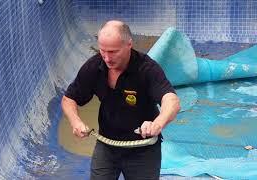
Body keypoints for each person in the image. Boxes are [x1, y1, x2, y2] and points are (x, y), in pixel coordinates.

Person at [61, 20, 180, 180]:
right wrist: (75, 122)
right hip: (107, 145)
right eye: (103, 51)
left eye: (113, 51)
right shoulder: (95, 66)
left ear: (129, 44)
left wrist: (157, 123)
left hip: (143, 149)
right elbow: (68, 99)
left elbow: (171, 100)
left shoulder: (147, 69)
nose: (107, 58)